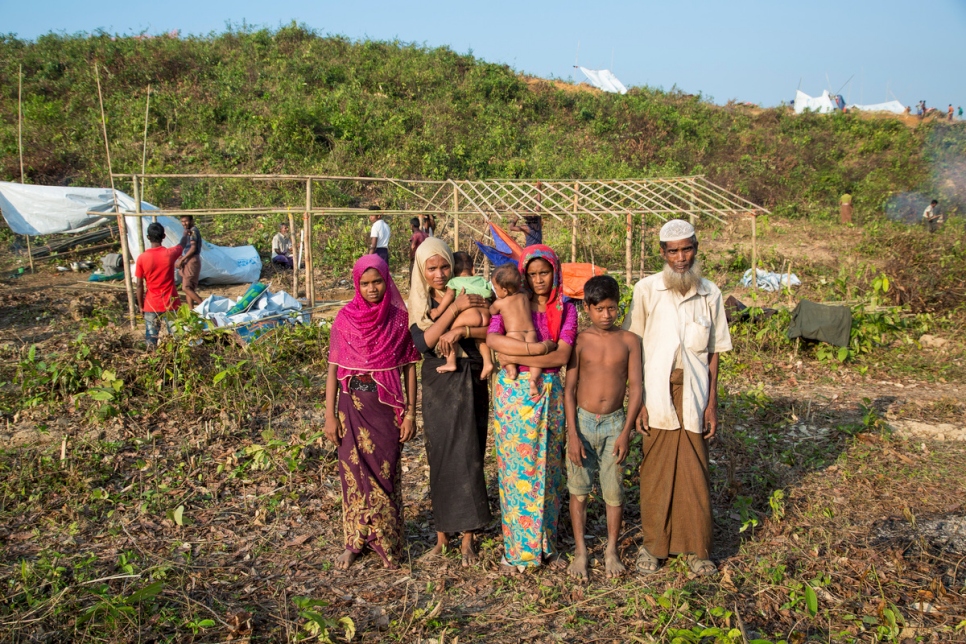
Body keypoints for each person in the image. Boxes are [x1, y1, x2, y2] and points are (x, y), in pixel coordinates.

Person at [623, 219, 732, 577]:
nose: (681, 258)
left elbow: (714, 353)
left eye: (687, 249)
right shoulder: (646, 290)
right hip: (655, 392)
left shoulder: (710, 293)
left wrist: (711, 404)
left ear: (696, 249)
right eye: (673, 251)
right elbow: (633, 346)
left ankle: (698, 549)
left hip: (695, 394)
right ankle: (653, 547)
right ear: (662, 253)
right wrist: (635, 400)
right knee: (654, 472)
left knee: (694, 473)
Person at [324, 255, 419, 570]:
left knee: (385, 474)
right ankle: (355, 540)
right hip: (351, 405)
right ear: (356, 284)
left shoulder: (397, 318)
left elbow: (408, 369)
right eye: (364, 283)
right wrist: (329, 415)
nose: (372, 288)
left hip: (386, 409)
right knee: (353, 476)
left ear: (387, 280)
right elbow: (333, 370)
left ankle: (388, 542)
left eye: (377, 281)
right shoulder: (344, 319)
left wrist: (409, 414)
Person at [486, 245, 577, 572]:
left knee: (549, 471)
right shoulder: (511, 302)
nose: (539, 279)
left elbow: (561, 357)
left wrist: (516, 355)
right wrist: (533, 350)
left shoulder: (566, 309)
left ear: (555, 272)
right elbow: (494, 344)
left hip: (548, 395)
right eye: (533, 273)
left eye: (545, 272)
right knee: (515, 471)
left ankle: (545, 546)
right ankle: (516, 550)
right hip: (513, 397)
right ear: (524, 275)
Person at [408, 238, 492, 565]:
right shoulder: (422, 301)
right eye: (432, 268)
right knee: (440, 453)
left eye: (444, 266)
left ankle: (468, 537)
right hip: (438, 379)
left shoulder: (469, 288)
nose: (439, 274)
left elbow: (492, 326)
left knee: (470, 451)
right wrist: (455, 309)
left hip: (470, 374)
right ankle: (442, 535)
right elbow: (423, 343)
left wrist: (463, 331)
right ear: (421, 270)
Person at [564, 275, 642, 581]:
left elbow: (636, 388)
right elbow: (569, 389)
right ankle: (581, 551)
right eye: (600, 309)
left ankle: (611, 549)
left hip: (615, 423)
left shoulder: (629, 341)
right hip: (582, 422)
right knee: (579, 491)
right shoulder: (580, 342)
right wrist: (572, 434)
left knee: (613, 492)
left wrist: (626, 432)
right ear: (587, 307)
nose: (607, 315)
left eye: (612, 308)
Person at [432, 251, 495, 378]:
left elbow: (449, 296)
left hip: (470, 315)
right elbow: (490, 294)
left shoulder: (454, 281)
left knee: (452, 331)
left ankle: (450, 362)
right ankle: (488, 362)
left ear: (452, 271)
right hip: (485, 315)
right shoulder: (482, 280)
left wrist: (438, 311)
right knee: (481, 339)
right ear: (473, 269)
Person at [489, 263, 542, 399]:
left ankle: (512, 371)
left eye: (496, 288)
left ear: (505, 291)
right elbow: (529, 295)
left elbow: (492, 311)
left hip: (514, 335)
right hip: (531, 333)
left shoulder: (501, 303)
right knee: (535, 360)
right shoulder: (524, 296)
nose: (495, 291)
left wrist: (493, 302)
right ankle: (534, 380)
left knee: (505, 351)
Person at [135, 222, 183, 349]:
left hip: (151, 305)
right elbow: (181, 245)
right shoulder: (170, 254)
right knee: (176, 338)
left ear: (148, 237)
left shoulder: (142, 258)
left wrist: (141, 306)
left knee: (151, 340)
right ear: (164, 236)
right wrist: (186, 233)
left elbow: (139, 285)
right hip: (170, 303)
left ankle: (152, 365)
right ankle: (176, 364)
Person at [175, 215, 202, 307]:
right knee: (189, 288)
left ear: (191, 221)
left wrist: (182, 260)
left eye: (186, 221)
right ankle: (191, 310)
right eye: (182, 222)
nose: (184, 224)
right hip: (189, 259)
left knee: (186, 287)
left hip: (192, 260)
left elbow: (193, 248)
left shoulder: (193, 231)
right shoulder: (188, 232)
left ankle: (202, 304)